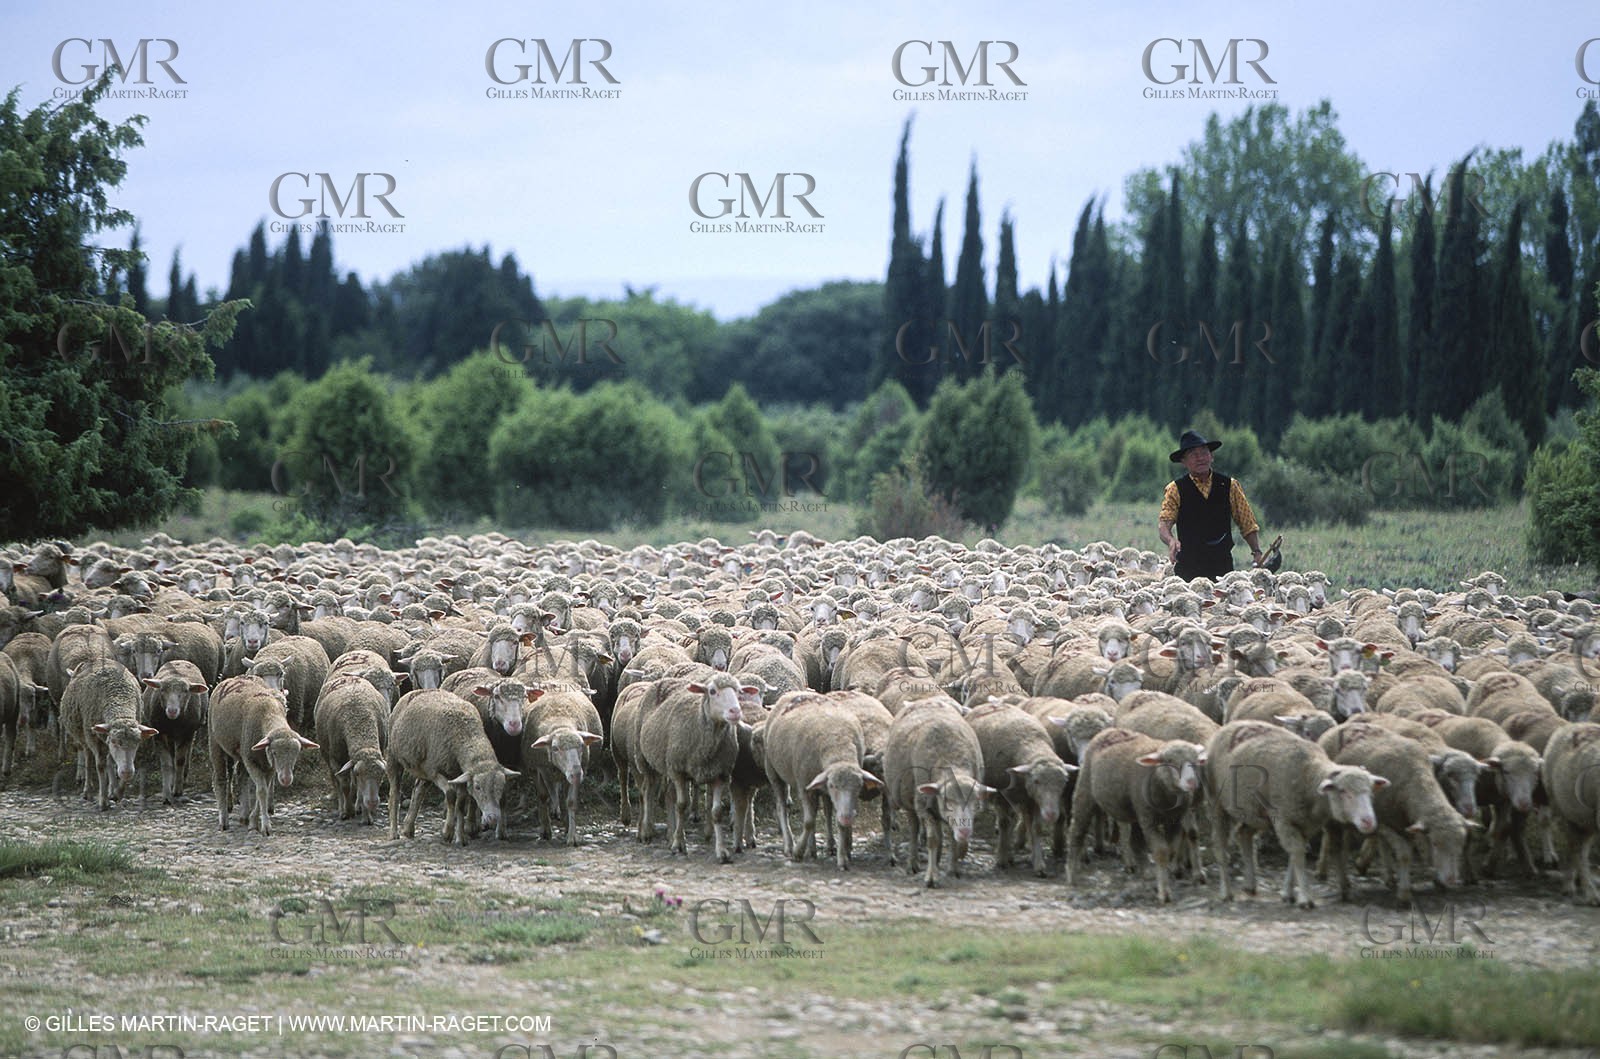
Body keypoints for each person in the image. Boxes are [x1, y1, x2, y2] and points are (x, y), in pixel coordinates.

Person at [1157, 430, 1265, 582]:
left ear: (1211, 457)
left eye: (1204, 453)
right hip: (1189, 566)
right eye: (1194, 454)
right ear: (1184, 461)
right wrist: (1171, 540)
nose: (1200, 458)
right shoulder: (1175, 489)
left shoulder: (1230, 485)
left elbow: (1247, 523)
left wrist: (1257, 552)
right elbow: (1164, 523)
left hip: (1222, 564)